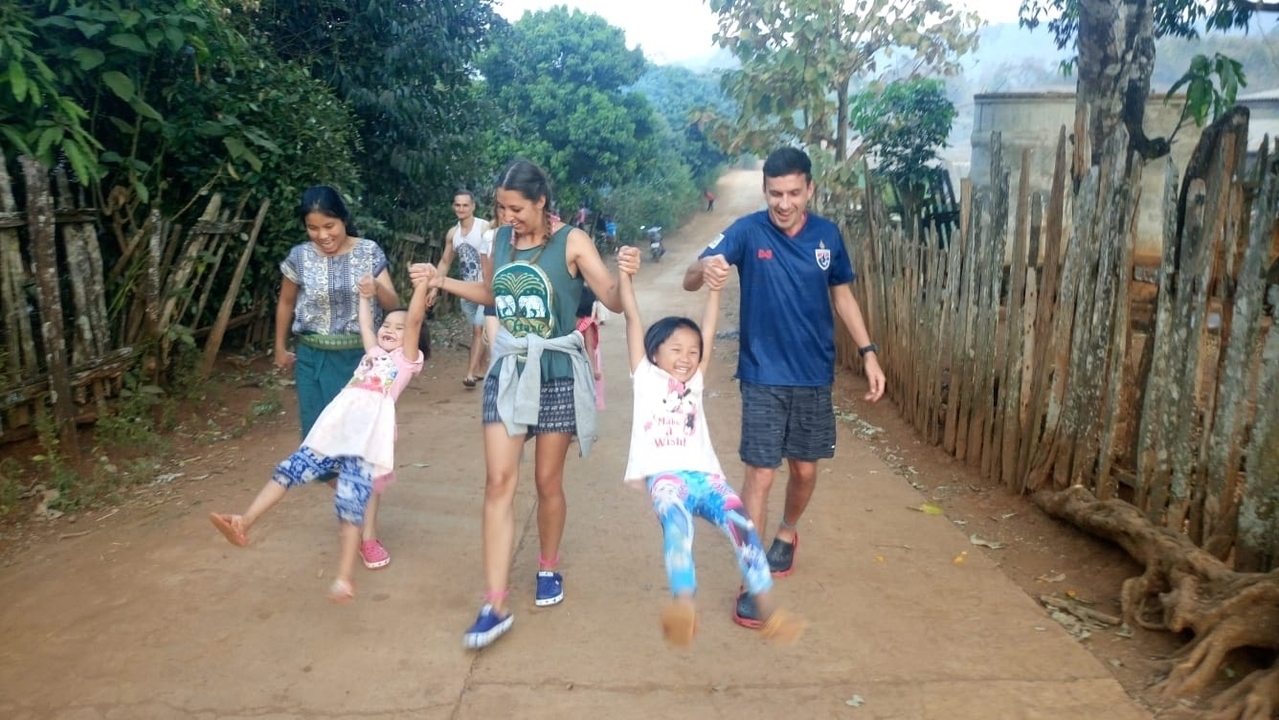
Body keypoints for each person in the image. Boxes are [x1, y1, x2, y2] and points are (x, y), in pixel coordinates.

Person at [409, 159, 639, 650]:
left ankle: (548, 565)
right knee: (498, 482)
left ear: (541, 202)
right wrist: (441, 281)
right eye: (501, 207)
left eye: (516, 208)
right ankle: (494, 602)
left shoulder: (572, 242)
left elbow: (614, 301)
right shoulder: (498, 240)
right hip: (510, 369)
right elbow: (492, 294)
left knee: (546, 481)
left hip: (556, 371)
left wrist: (626, 275)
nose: (508, 216)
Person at [682, 147, 887, 628]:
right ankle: (753, 579)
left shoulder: (827, 236)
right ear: (765, 191)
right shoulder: (747, 231)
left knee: (806, 472)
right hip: (761, 374)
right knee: (760, 475)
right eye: (776, 193)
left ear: (809, 190)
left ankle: (788, 532)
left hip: (814, 374)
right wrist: (703, 270)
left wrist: (869, 351)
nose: (784, 202)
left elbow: (842, 296)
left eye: (794, 192)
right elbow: (694, 275)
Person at [617, 258, 805, 647]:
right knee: (677, 528)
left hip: (707, 477)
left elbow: (709, 328)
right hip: (667, 478)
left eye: (692, 351)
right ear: (654, 353)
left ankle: (766, 607)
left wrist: (715, 290)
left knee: (745, 528)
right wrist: (624, 276)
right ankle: (683, 606)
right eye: (676, 350)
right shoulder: (646, 378)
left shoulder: (695, 382)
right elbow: (632, 318)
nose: (685, 358)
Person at [211, 273, 431, 602]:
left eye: (399, 329)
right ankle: (244, 521)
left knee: (350, 500)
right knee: (288, 470)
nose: (390, 329)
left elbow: (414, 321)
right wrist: (364, 296)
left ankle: (344, 578)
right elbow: (366, 323)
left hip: (365, 443)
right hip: (334, 431)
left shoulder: (406, 362)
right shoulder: (372, 353)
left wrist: (422, 288)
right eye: (388, 324)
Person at [273, 185, 402, 570]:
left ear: (343, 218)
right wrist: (280, 346)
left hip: (359, 365)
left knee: (361, 453)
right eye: (313, 228)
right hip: (312, 359)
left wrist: (375, 287)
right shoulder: (298, 257)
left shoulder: (369, 252)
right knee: (320, 451)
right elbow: (286, 301)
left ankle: (368, 535)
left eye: (329, 225)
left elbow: (394, 306)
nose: (323, 235)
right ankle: (354, 502)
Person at [431, 190, 493, 388]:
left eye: (465, 205)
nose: (461, 209)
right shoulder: (453, 233)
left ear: (473, 206)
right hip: (466, 290)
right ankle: (483, 369)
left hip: (485, 289)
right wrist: (434, 288)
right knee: (478, 331)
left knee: (478, 328)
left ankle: (470, 374)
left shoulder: (484, 228)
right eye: (457, 205)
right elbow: (445, 261)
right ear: (453, 207)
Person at [575, 286, 605, 410]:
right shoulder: (587, 323)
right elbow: (590, 347)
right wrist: (594, 369)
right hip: (587, 360)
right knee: (591, 388)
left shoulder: (571, 321)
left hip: (575, 359)